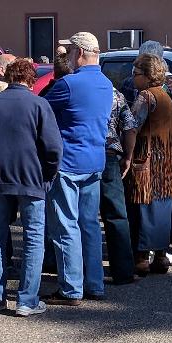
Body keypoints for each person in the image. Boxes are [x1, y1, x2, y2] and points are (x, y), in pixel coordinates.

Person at [0, 58, 62, 316]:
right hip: (32, 179)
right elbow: (53, 148)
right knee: (33, 238)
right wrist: (48, 176)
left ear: (8, 77)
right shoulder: (40, 104)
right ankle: (26, 300)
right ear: (31, 80)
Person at [44, 31, 113, 303]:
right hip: (95, 161)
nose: (68, 58)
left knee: (66, 227)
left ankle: (71, 287)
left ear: (80, 53)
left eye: (70, 52)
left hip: (68, 162)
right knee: (90, 226)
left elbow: (41, 111)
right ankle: (94, 284)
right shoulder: (107, 84)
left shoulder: (69, 84)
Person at [125, 53, 172, 274]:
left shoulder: (145, 97)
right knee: (163, 206)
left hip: (145, 160)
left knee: (142, 207)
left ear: (147, 76)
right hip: (166, 160)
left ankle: (140, 257)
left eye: (136, 73)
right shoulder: (166, 95)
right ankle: (161, 255)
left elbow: (132, 127)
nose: (133, 77)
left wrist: (126, 155)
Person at [101, 83, 138, 285]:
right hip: (110, 155)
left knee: (82, 217)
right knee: (116, 214)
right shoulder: (116, 95)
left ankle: (85, 272)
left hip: (84, 155)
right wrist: (128, 157)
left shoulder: (77, 89)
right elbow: (130, 128)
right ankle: (123, 270)